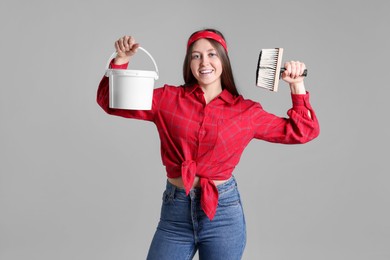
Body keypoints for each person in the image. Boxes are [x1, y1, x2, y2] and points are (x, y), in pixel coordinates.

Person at [97, 28, 320, 260]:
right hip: (176, 212)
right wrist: (120, 60)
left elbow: (304, 131)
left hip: (223, 215)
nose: (204, 61)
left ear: (223, 60)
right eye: (196, 55)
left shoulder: (246, 112)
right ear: (189, 63)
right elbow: (109, 101)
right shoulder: (166, 99)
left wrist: (297, 86)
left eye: (212, 54)